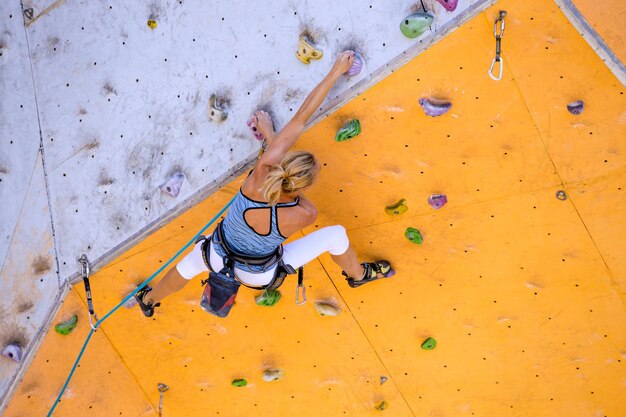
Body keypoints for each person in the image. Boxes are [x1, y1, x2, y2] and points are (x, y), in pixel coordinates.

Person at [133, 51, 394, 318]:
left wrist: (335, 71)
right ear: (302, 188)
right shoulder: (305, 212)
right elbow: (300, 128)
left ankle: (150, 299)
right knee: (336, 235)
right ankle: (359, 274)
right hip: (257, 274)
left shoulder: (260, 174)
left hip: (218, 255)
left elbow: (300, 119)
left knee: (187, 268)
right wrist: (271, 138)